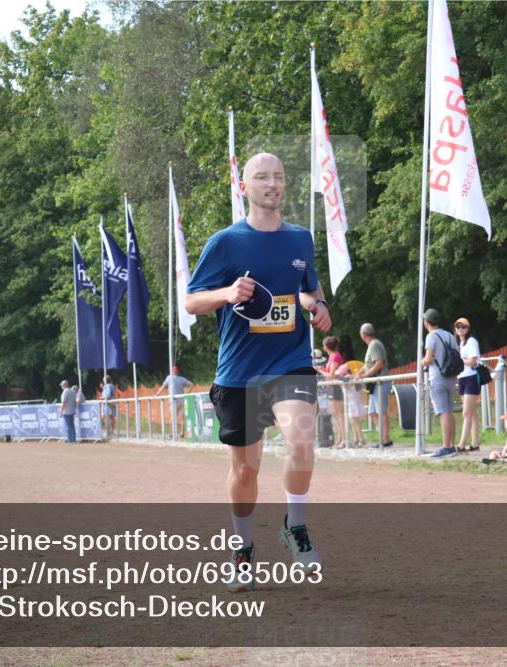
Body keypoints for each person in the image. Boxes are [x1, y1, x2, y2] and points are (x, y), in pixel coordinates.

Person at [185, 151, 332, 593]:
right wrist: (228, 293)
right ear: (243, 186)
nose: (272, 184)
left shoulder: (300, 239)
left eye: (279, 177)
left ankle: (296, 527)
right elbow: (191, 302)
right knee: (246, 470)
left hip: (290, 363)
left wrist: (318, 305)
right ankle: (243, 549)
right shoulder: (225, 243)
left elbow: (308, 289)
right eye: (262, 177)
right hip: (240, 373)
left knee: (301, 442)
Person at [419, 309, 458, 459]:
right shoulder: (449, 335)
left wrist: (422, 362)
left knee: (443, 412)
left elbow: (428, 359)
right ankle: (452, 445)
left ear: (426, 322)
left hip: (438, 377)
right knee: (450, 411)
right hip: (451, 377)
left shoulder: (431, 336)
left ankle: (446, 447)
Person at [355, 323, 393, 447]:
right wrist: (359, 373)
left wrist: (365, 375)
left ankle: (385, 440)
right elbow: (368, 364)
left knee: (381, 411)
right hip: (375, 383)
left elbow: (379, 363)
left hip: (380, 382)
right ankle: (383, 437)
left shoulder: (374, 344)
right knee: (372, 412)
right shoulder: (372, 345)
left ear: (363, 334)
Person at [454, 317, 481, 452]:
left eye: (463, 327)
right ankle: (475, 443)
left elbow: (472, 361)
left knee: (466, 412)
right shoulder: (459, 343)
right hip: (462, 378)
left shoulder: (472, 341)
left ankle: (462, 444)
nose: (460, 329)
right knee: (472, 412)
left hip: (471, 377)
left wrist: (460, 360)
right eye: (458, 327)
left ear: (468, 329)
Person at [315, 337, 346, 448]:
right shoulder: (332, 357)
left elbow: (332, 375)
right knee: (335, 414)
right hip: (331, 387)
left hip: (335, 387)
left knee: (339, 414)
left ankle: (344, 440)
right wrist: (322, 370)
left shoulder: (335, 357)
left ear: (326, 347)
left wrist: (320, 370)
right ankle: (340, 439)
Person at [156, 365, 194, 437]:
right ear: (177, 371)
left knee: (173, 417)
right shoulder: (181, 379)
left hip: (174, 401)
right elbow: (192, 384)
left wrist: (158, 393)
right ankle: (181, 433)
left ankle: (171, 433)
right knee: (183, 417)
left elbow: (163, 387)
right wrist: (187, 393)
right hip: (182, 400)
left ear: (172, 371)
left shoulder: (169, 378)